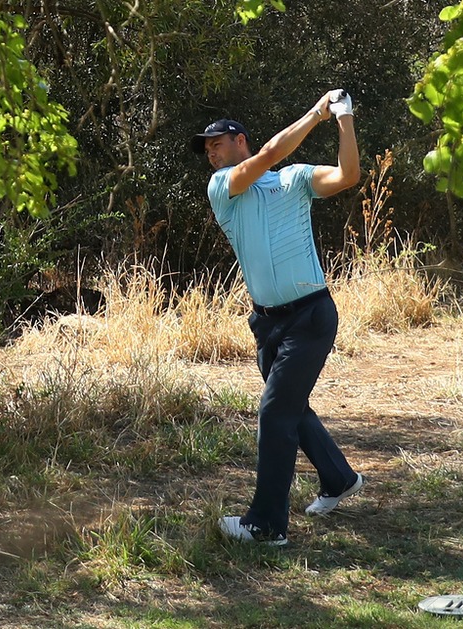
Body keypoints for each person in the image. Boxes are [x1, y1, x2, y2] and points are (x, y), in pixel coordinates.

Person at [190, 90, 363, 546]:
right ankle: (339, 478)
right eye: (206, 148)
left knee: (275, 412)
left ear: (238, 139)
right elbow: (269, 154)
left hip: (310, 316)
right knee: (288, 406)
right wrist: (315, 113)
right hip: (266, 323)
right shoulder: (223, 188)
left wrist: (343, 118)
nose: (211, 152)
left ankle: (266, 525)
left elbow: (349, 175)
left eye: (217, 143)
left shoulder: (295, 179)